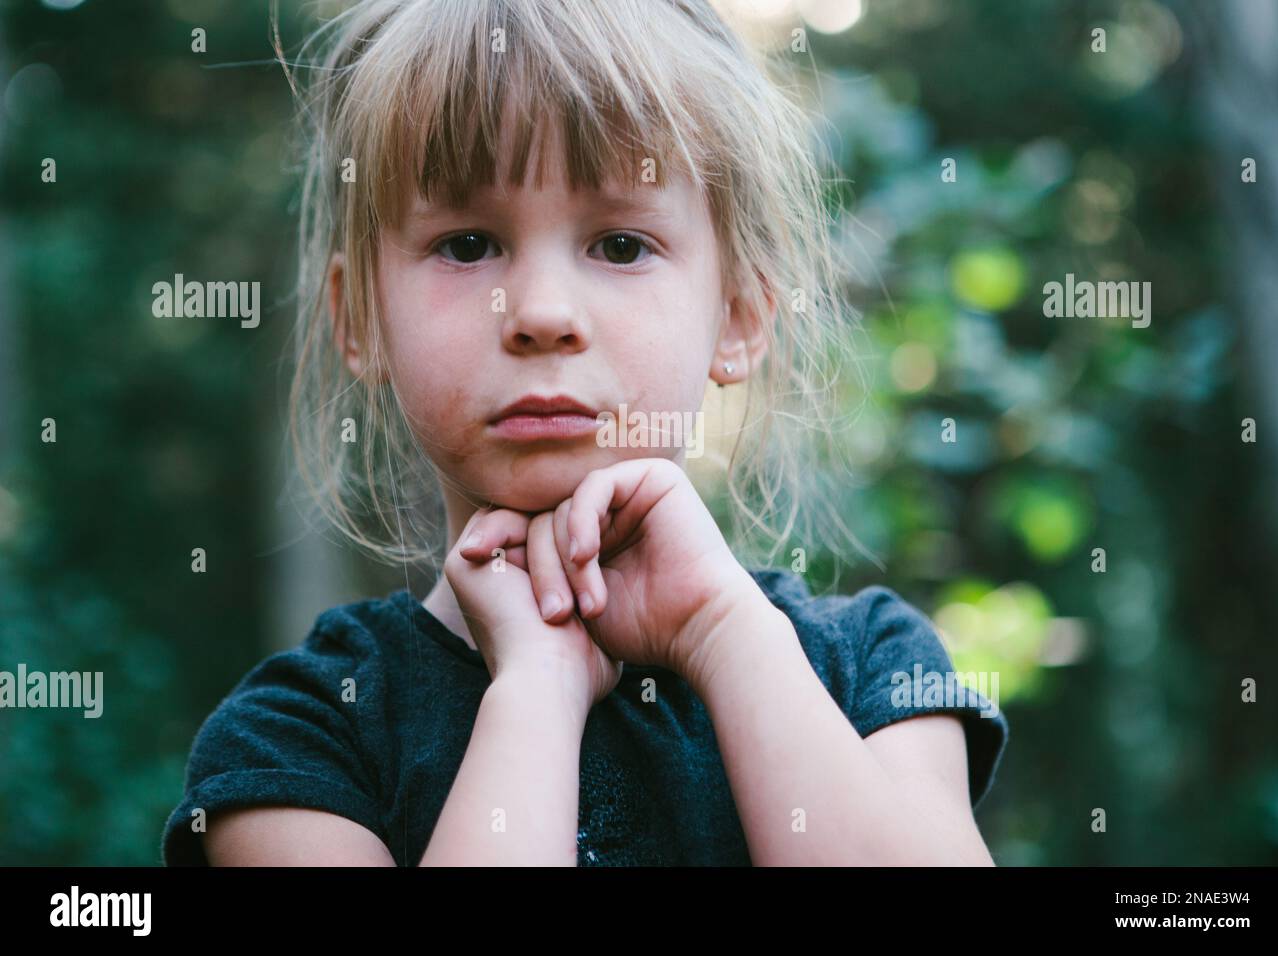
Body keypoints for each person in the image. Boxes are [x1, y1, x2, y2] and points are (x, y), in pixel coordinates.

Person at [161, 0, 1009, 866]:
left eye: (620, 245)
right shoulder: (300, 740)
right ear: (362, 319)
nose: (540, 313)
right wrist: (536, 690)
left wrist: (723, 629)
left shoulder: (868, 670)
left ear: (741, 316)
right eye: (464, 244)